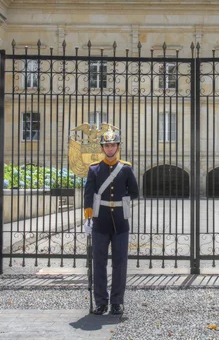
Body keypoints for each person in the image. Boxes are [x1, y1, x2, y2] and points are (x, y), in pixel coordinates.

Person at [83, 128, 139, 315]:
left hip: (120, 223)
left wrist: (122, 201)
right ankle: (101, 302)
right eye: (107, 145)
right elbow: (88, 195)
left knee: (120, 263)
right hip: (100, 222)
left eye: (113, 145)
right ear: (102, 147)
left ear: (118, 147)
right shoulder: (94, 169)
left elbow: (135, 192)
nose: (110, 149)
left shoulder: (126, 168)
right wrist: (88, 218)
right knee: (99, 263)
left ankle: (117, 301)